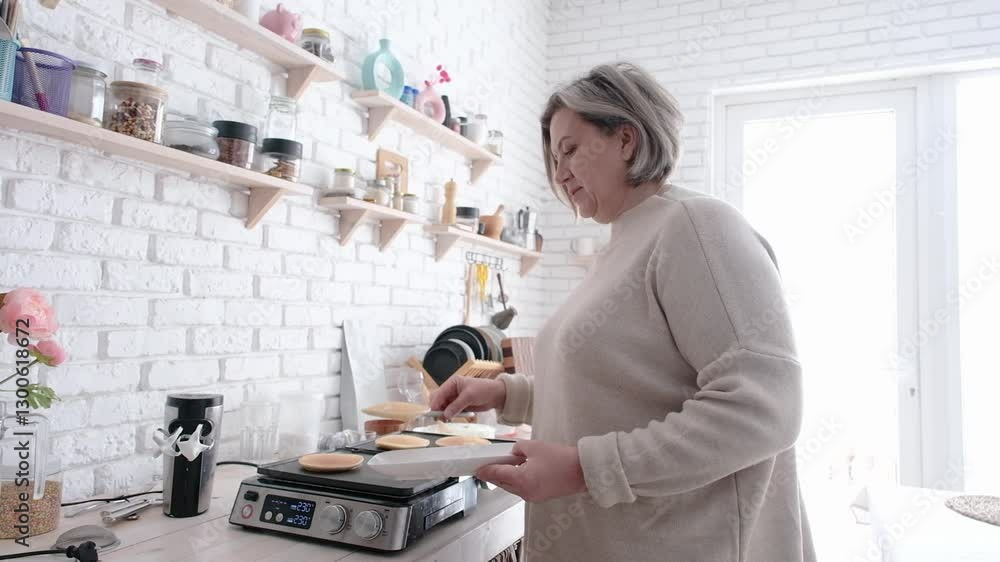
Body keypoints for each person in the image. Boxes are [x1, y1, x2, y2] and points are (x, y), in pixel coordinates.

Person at [431, 63, 816, 562]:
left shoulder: (696, 226)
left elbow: (763, 408)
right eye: (554, 157)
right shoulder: (622, 245)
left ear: (626, 140)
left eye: (571, 149)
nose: (559, 172)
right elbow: (619, 390)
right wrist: (508, 393)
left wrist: (584, 469)